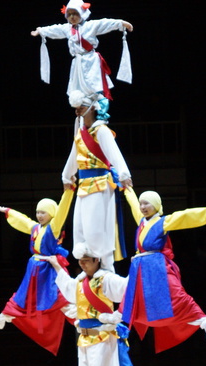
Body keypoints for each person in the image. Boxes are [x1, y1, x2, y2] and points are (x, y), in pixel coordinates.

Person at [47, 242, 146, 366]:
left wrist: (137, 267)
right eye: (80, 261)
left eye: (86, 261)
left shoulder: (106, 279)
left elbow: (128, 289)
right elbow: (67, 288)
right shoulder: (80, 281)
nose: (82, 265)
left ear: (96, 260)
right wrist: (56, 265)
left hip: (103, 337)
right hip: (83, 339)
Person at [120, 188, 206, 353]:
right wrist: (127, 189)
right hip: (140, 268)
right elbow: (133, 204)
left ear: (155, 205)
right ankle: (116, 319)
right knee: (132, 297)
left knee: (177, 294)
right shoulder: (142, 221)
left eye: (146, 203)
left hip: (157, 267)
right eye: (141, 203)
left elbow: (184, 217)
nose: (142, 206)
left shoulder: (163, 222)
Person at [0, 188, 75, 356]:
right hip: (35, 270)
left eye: (43, 212)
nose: (39, 215)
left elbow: (63, 208)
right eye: (38, 212)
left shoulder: (53, 228)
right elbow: (23, 221)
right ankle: (2, 319)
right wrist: (9, 212)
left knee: (60, 297)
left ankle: (82, 321)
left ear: (52, 214)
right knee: (21, 297)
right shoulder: (36, 228)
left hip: (49, 269)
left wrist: (68, 191)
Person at [62, 90, 132, 272]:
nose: (78, 111)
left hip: (100, 184)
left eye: (81, 107)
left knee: (98, 230)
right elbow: (74, 154)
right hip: (83, 186)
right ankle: (88, 272)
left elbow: (114, 154)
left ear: (92, 107)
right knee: (80, 229)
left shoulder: (101, 131)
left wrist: (124, 175)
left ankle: (107, 269)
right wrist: (67, 175)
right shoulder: (81, 131)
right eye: (76, 108)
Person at [31, 0, 133, 116]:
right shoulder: (67, 28)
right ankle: (83, 116)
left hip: (91, 61)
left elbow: (105, 23)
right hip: (77, 63)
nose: (72, 17)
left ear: (82, 13)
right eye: (69, 14)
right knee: (78, 91)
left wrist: (121, 23)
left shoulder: (90, 26)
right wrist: (41, 30)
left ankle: (102, 115)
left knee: (95, 88)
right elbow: (55, 29)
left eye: (75, 13)